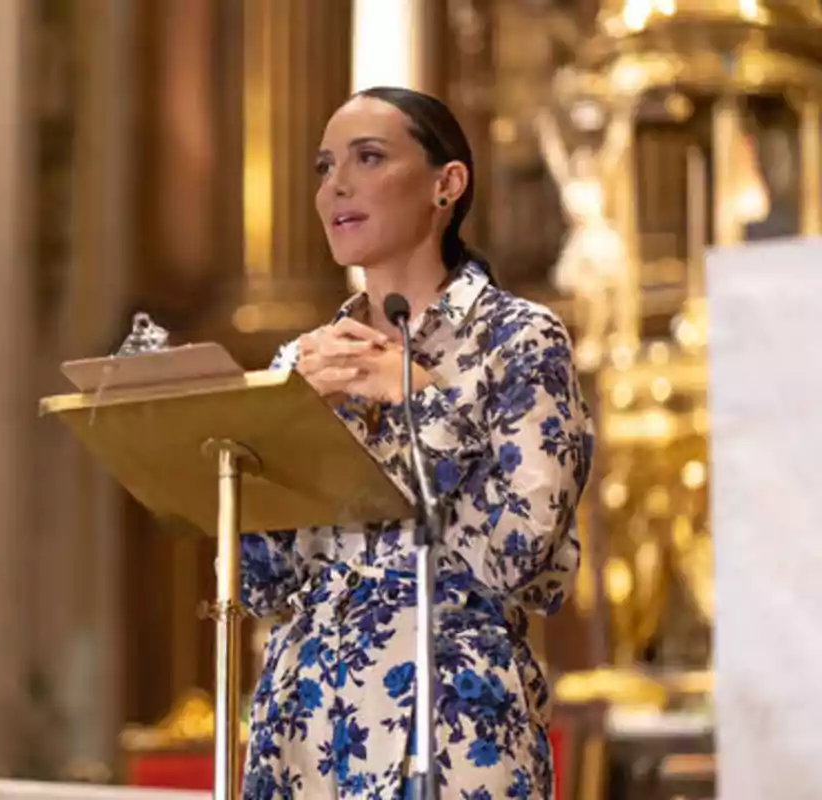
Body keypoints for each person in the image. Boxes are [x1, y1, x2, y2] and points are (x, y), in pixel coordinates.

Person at [240, 87, 594, 799]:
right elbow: (259, 581)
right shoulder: (302, 362)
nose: (335, 185)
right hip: (304, 726)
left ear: (447, 184)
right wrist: (274, 427)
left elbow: (517, 559)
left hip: (456, 715)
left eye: (368, 158)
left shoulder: (520, 340)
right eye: (323, 166)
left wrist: (422, 397)